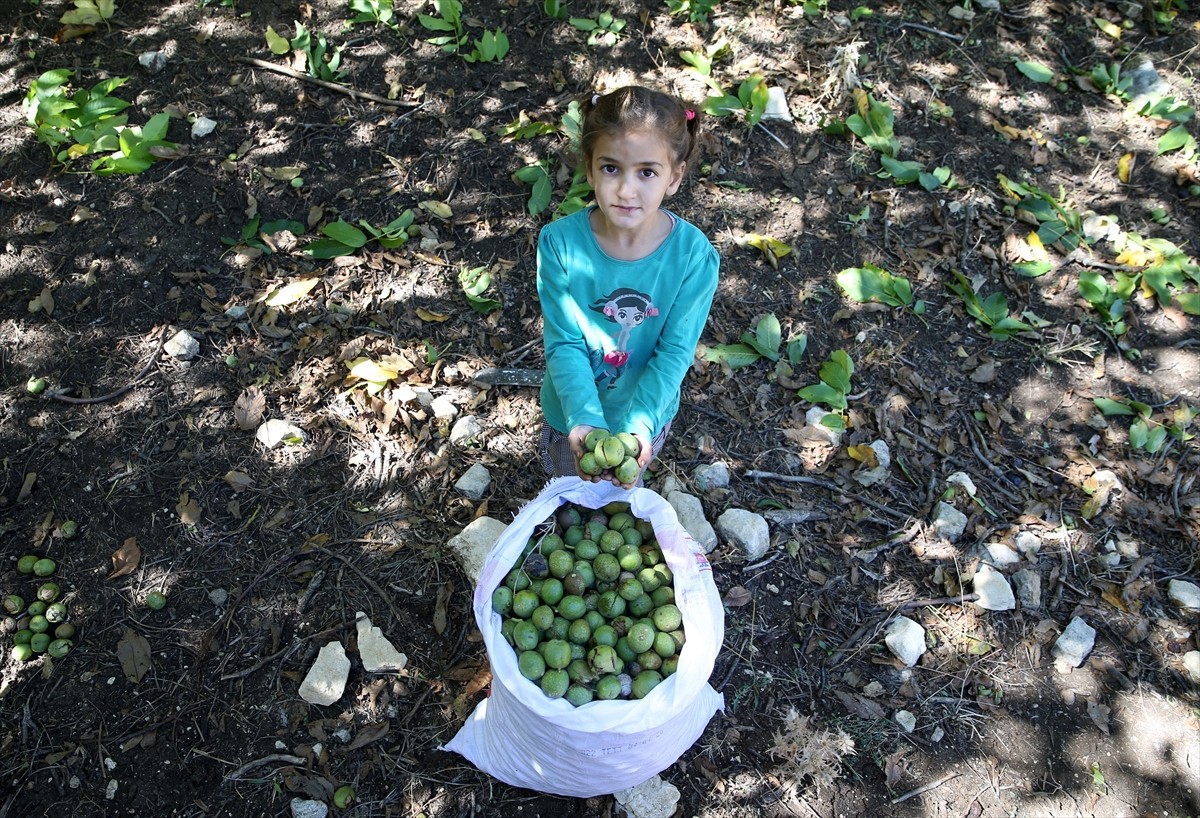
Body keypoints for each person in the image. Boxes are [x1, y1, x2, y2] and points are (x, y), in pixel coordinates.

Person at [536, 85, 720, 488]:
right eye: (611, 168)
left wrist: (639, 426)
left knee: (622, 493)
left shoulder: (692, 257)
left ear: (675, 176)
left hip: (644, 416)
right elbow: (564, 342)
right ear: (589, 167)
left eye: (647, 172)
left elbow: (674, 352)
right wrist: (583, 417)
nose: (626, 190)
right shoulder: (560, 244)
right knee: (571, 489)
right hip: (570, 410)